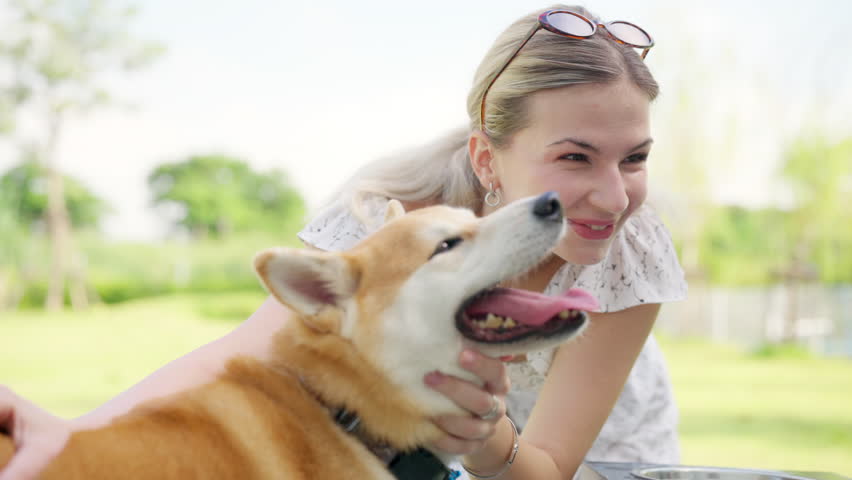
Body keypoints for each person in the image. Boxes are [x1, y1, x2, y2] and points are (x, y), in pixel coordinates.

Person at [0, 4, 687, 480]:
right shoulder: (392, 212)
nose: (614, 194)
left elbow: (549, 467)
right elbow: (241, 356)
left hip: (588, 460)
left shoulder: (632, 247)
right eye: (576, 157)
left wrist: (480, 438)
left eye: (635, 158)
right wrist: (79, 443)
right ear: (486, 159)